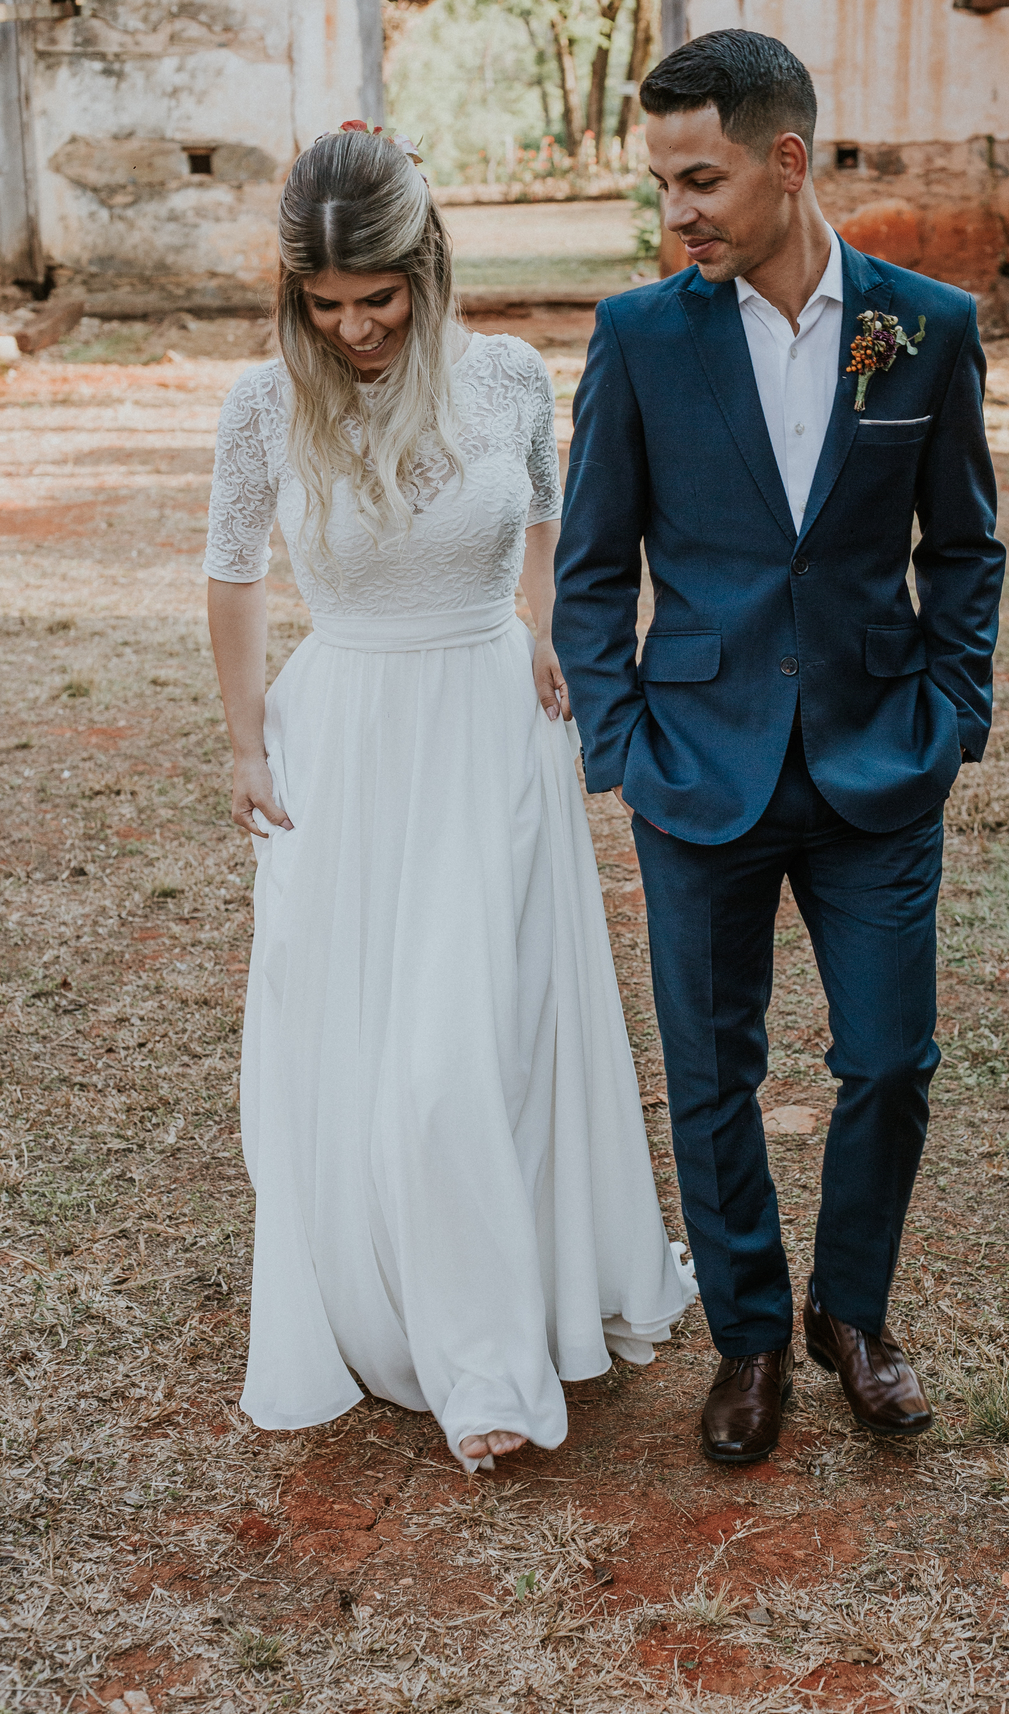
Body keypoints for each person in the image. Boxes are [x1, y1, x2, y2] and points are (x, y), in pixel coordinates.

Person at [204, 122, 693, 1470]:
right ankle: (401, 1296)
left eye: (378, 297)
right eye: (325, 304)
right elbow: (233, 571)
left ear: (426, 265)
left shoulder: (511, 379)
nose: (354, 329)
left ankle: (486, 1361)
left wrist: (543, 624)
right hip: (349, 741)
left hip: (488, 734)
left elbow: (539, 518)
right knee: (362, 1042)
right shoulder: (265, 403)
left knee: (465, 1049)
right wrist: (247, 745)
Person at [554, 32, 1005, 1465]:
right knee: (709, 1070)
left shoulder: (922, 327)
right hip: (700, 767)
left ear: (786, 161)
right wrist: (623, 742)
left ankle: (850, 1315)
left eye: (700, 179)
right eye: (662, 183)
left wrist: (956, 711)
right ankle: (750, 1338)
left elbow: (967, 547)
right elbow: (588, 566)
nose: (675, 212)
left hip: (881, 761)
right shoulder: (639, 336)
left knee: (889, 1059)